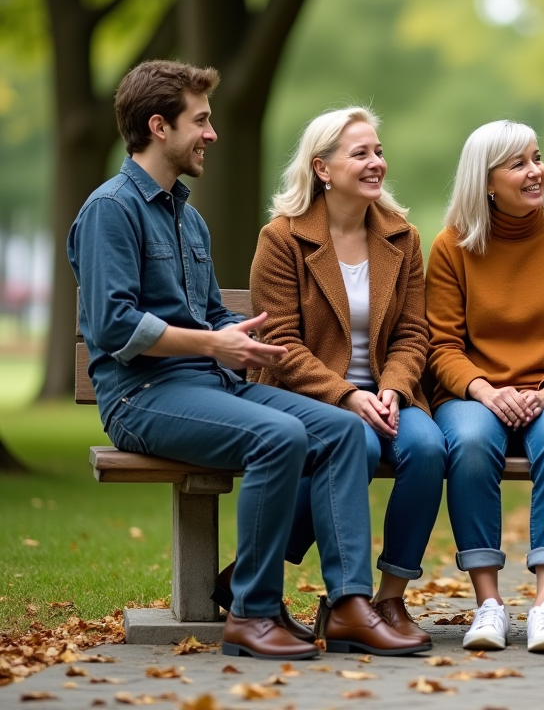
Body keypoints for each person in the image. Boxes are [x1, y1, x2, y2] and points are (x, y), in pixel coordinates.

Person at [68, 60, 422, 659]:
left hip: (210, 384)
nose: (211, 134)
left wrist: (242, 334)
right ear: (159, 126)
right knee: (279, 436)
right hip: (142, 395)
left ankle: (350, 605)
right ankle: (252, 613)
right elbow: (112, 326)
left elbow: (209, 314)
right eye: (200, 121)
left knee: (340, 430)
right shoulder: (111, 209)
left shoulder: (189, 217)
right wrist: (214, 343)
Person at [249, 107, 446, 653]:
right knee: (354, 443)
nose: (376, 162)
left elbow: (413, 334)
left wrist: (391, 389)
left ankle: (388, 597)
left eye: (378, 151)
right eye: (361, 153)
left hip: (387, 395)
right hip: (308, 397)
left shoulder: (402, 238)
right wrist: (348, 396)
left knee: (429, 447)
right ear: (322, 168)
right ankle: (345, 603)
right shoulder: (282, 239)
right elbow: (281, 345)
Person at [425, 120, 544, 653]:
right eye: (518, 163)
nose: (535, 172)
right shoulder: (452, 247)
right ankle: (490, 604)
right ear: (486, 181)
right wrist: (485, 391)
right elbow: (442, 345)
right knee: (471, 441)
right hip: (477, 394)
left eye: (536, 157)